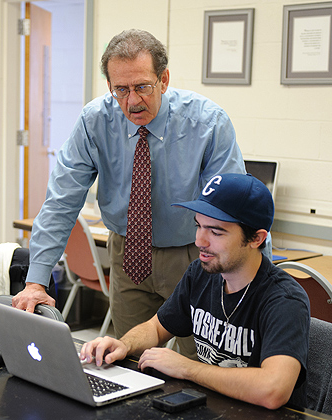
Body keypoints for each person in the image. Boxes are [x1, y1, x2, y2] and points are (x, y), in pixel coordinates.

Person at [13, 29, 247, 354]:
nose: (132, 101)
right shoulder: (95, 122)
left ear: (163, 80)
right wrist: (36, 281)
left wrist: (248, 278)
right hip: (128, 256)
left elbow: (234, 207)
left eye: (142, 87)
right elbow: (61, 200)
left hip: (195, 257)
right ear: (109, 86)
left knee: (202, 366)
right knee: (130, 363)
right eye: (120, 89)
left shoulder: (207, 123)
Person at [80, 173, 310, 410]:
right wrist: (124, 344)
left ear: (256, 239)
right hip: (211, 407)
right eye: (198, 225)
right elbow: (157, 327)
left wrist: (187, 368)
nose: (200, 241)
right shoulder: (202, 274)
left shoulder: (284, 300)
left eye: (216, 232)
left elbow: (273, 390)